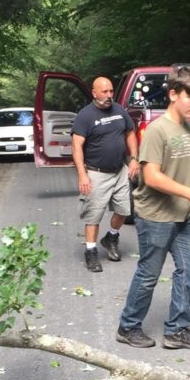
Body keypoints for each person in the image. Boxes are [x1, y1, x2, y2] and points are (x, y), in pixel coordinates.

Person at [117, 66, 190, 350]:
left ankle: (177, 330)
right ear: (173, 94)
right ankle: (128, 326)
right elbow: (151, 177)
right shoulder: (157, 130)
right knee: (149, 274)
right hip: (156, 217)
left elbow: (188, 171)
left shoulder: (186, 126)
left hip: (182, 215)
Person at [71, 76, 139, 272]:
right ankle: (91, 252)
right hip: (96, 173)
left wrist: (134, 158)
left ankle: (111, 238)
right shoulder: (85, 116)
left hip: (120, 171)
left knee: (124, 211)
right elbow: (76, 147)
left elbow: (130, 133)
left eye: (111, 91)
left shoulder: (119, 110)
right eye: (104, 92)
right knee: (93, 216)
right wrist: (82, 174)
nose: (109, 95)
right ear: (94, 93)